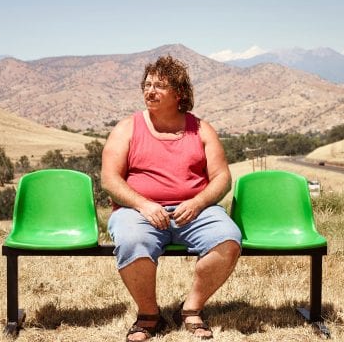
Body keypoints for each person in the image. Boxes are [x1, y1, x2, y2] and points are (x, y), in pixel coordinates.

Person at [101, 55, 242, 341]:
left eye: (159, 86)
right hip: (138, 211)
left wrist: (198, 202)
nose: (149, 91)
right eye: (147, 84)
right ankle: (148, 315)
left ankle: (190, 309)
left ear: (179, 93)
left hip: (195, 211)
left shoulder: (201, 129)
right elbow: (109, 179)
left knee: (228, 239)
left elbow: (222, 178)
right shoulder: (127, 128)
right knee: (131, 240)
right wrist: (143, 204)